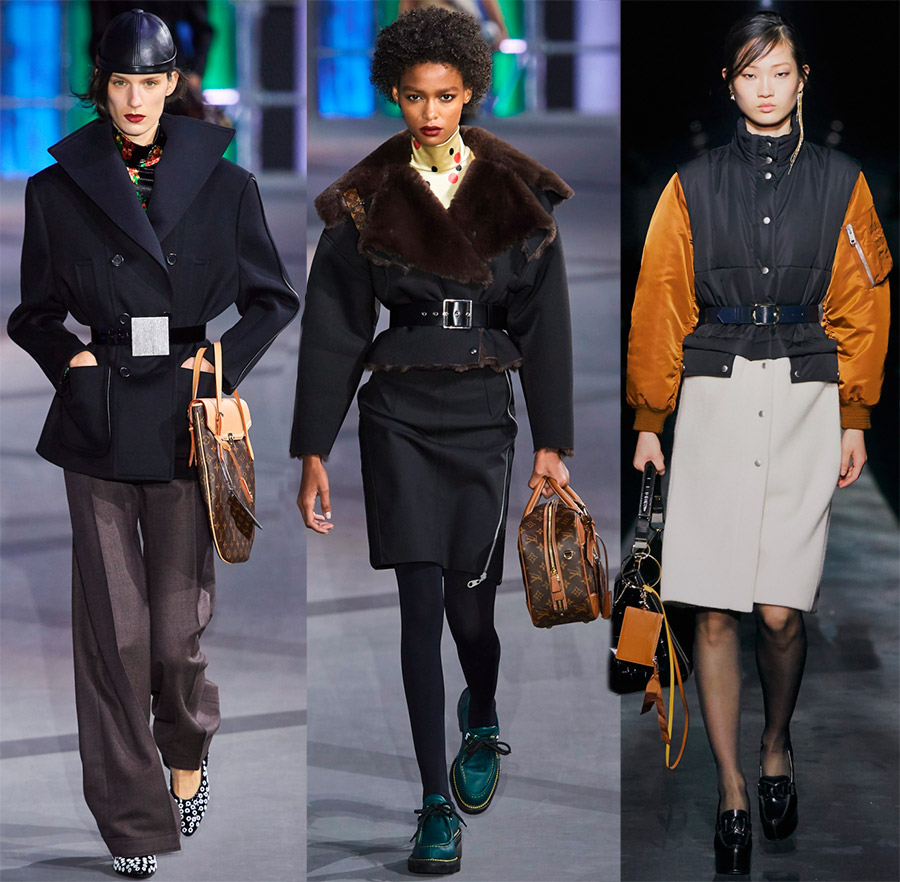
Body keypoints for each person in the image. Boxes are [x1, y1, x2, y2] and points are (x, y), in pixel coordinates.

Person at [7, 10, 298, 879]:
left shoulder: (226, 183)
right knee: (115, 637)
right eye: (120, 82)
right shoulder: (55, 189)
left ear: (174, 82)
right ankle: (134, 826)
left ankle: (187, 746)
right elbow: (31, 314)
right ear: (100, 86)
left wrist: (220, 366)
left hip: (183, 416)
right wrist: (70, 359)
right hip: (98, 419)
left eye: (150, 81)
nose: (135, 99)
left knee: (174, 636)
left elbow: (273, 298)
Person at [291, 6, 573, 874]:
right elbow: (335, 326)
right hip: (400, 413)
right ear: (394, 95)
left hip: (483, 410)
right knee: (419, 608)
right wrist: (313, 449)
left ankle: (480, 713)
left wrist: (552, 444)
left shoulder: (515, 191)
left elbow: (546, 322)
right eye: (415, 96)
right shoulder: (368, 195)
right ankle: (432, 806)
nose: (430, 112)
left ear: (470, 94)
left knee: (469, 613)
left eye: (445, 96)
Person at [626, 11, 891, 876]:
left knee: (780, 610)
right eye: (750, 73)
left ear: (803, 79)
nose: (766, 88)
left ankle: (776, 743)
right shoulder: (691, 185)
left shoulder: (842, 182)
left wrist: (855, 415)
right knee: (711, 607)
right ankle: (733, 788)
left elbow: (863, 304)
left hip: (807, 393)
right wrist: (649, 419)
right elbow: (661, 299)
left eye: (780, 72)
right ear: (730, 84)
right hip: (714, 391)